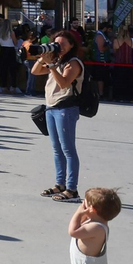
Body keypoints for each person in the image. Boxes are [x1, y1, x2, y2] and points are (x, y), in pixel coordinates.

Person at [33, 29, 86, 203]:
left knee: (68, 150)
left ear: (72, 45)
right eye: (57, 43)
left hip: (66, 108)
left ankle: (72, 189)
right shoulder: (56, 60)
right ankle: (60, 184)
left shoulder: (73, 63)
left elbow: (63, 84)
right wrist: (44, 56)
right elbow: (35, 71)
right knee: (57, 150)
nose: (60, 46)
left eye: (63, 44)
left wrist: (52, 67)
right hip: (51, 107)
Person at [0, 14, 19, 93]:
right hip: (10, 50)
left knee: (3, 69)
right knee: (12, 69)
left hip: (2, 50)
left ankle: (3, 86)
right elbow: (15, 42)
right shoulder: (11, 32)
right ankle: (13, 86)